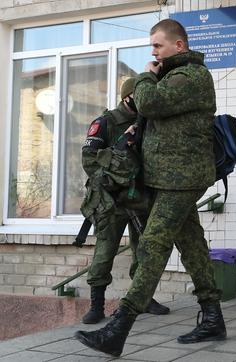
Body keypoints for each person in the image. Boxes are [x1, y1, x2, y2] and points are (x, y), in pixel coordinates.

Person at [75, 19, 224, 357]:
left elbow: (149, 103)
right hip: (173, 178)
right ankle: (213, 316)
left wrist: (144, 74)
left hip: (181, 178)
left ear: (179, 46)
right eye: (152, 47)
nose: (153, 52)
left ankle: (118, 328)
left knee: (153, 245)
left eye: (158, 45)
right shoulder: (172, 77)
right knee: (193, 246)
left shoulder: (191, 77)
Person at [79, 78, 170, 324]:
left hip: (140, 197)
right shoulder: (106, 123)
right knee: (105, 251)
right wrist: (113, 173)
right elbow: (89, 160)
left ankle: (144, 298)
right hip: (111, 200)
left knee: (145, 250)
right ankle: (96, 305)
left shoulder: (148, 122)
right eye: (138, 96)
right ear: (127, 97)